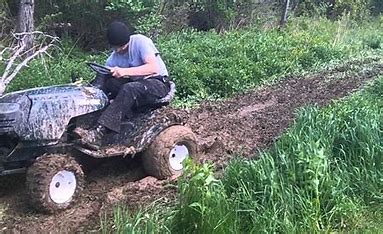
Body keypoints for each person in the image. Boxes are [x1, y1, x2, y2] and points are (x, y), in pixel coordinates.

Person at [75, 21, 171, 149]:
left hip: (157, 83)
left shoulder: (141, 42)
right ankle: (88, 122)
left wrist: (124, 71)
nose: (119, 50)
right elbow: (104, 79)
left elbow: (153, 67)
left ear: (128, 41)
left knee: (129, 88)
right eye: (116, 48)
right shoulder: (113, 59)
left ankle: (99, 132)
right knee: (110, 83)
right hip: (136, 85)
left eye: (122, 47)